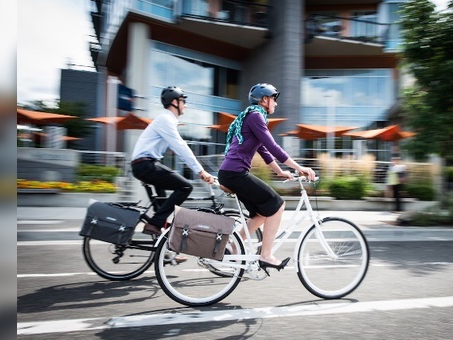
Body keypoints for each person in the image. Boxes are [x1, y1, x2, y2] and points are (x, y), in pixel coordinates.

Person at [218, 83, 316, 275]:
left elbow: (263, 150)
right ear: (264, 100)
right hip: (235, 174)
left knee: (262, 213)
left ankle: (230, 247)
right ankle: (266, 255)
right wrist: (299, 167)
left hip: (231, 173)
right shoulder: (256, 116)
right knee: (277, 205)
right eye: (274, 99)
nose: (276, 104)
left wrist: (280, 171)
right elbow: (272, 147)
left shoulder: (253, 116)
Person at [131, 86, 215, 236]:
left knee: (163, 207)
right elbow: (180, 146)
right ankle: (154, 224)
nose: (185, 105)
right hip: (145, 165)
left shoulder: (166, 120)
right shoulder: (165, 119)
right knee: (185, 187)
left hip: (145, 165)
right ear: (175, 102)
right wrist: (200, 170)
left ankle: (167, 252)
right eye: (183, 101)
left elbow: (176, 149)